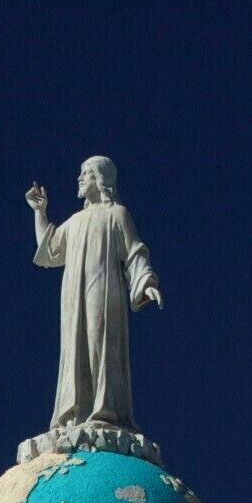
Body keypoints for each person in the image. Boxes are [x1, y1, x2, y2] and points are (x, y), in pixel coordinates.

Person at [26, 156, 162, 432]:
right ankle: (74, 413)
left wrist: (146, 281)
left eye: (85, 174)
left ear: (100, 180)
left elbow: (135, 252)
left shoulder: (116, 214)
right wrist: (40, 212)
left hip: (103, 289)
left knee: (100, 343)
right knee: (74, 348)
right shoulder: (76, 220)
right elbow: (50, 250)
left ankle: (105, 410)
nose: (79, 179)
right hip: (73, 296)